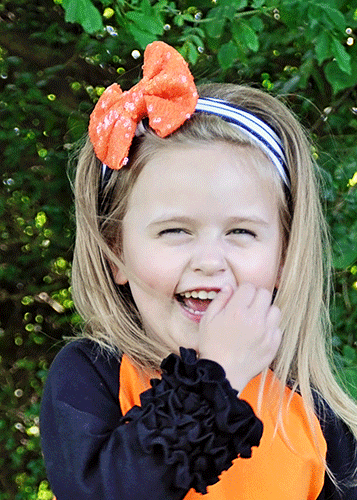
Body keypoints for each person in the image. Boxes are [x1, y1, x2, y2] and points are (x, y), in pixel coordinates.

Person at [40, 41, 357, 500]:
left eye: (242, 233)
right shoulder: (94, 377)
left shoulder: (314, 417)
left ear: (285, 255)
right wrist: (216, 377)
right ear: (117, 255)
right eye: (174, 231)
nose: (210, 260)